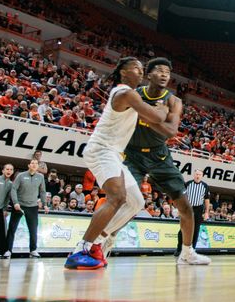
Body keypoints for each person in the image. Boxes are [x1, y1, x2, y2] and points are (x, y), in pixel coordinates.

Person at [64, 57, 170, 270]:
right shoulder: (125, 92)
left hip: (114, 155)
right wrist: (164, 108)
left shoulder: (132, 95)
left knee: (136, 202)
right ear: (123, 72)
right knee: (118, 197)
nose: (141, 73)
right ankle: (80, 250)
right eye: (136, 68)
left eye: (142, 70)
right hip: (101, 150)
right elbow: (157, 118)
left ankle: (98, 242)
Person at [121, 57, 209, 265]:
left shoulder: (173, 101)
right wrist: (156, 115)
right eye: (159, 70)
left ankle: (187, 252)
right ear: (148, 74)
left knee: (185, 206)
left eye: (167, 73)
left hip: (159, 155)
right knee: (123, 201)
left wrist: (145, 115)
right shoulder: (134, 95)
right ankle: (100, 244)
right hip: (131, 154)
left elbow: (170, 132)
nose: (164, 75)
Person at [8, 158, 47, 258]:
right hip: (19, 206)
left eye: (36, 163)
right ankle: (8, 250)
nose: (34, 165)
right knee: (12, 228)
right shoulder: (21, 175)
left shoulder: (41, 177)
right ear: (28, 165)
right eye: (32, 163)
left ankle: (33, 250)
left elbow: (42, 191)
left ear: (38, 166)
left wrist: (45, 204)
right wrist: (15, 202)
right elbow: (13, 189)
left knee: (33, 230)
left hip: (32, 206)